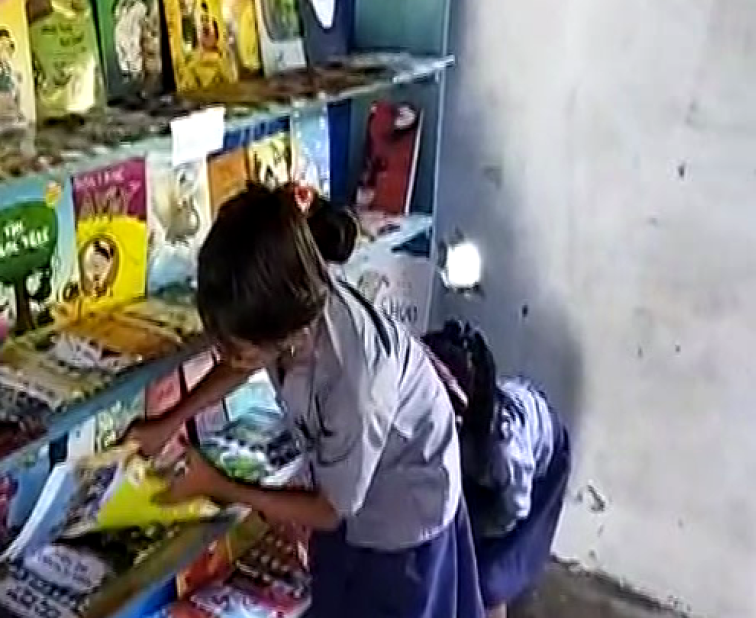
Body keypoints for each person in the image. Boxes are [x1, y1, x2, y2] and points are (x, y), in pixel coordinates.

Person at [124, 183, 485, 618]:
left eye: (239, 348)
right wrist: (169, 420)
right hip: (352, 482)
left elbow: (330, 511)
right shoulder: (289, 295)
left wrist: (219, 486)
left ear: (288, 335)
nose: (228, 358)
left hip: (406, 505)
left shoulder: (353, 381)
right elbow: (242, 361)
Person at [422, 320, 573, 618]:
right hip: (483, 461)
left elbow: (512, 512)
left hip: (540, 470)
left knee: (489, 579)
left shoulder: (505, 453)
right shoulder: (440, 418)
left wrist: (471, 536)